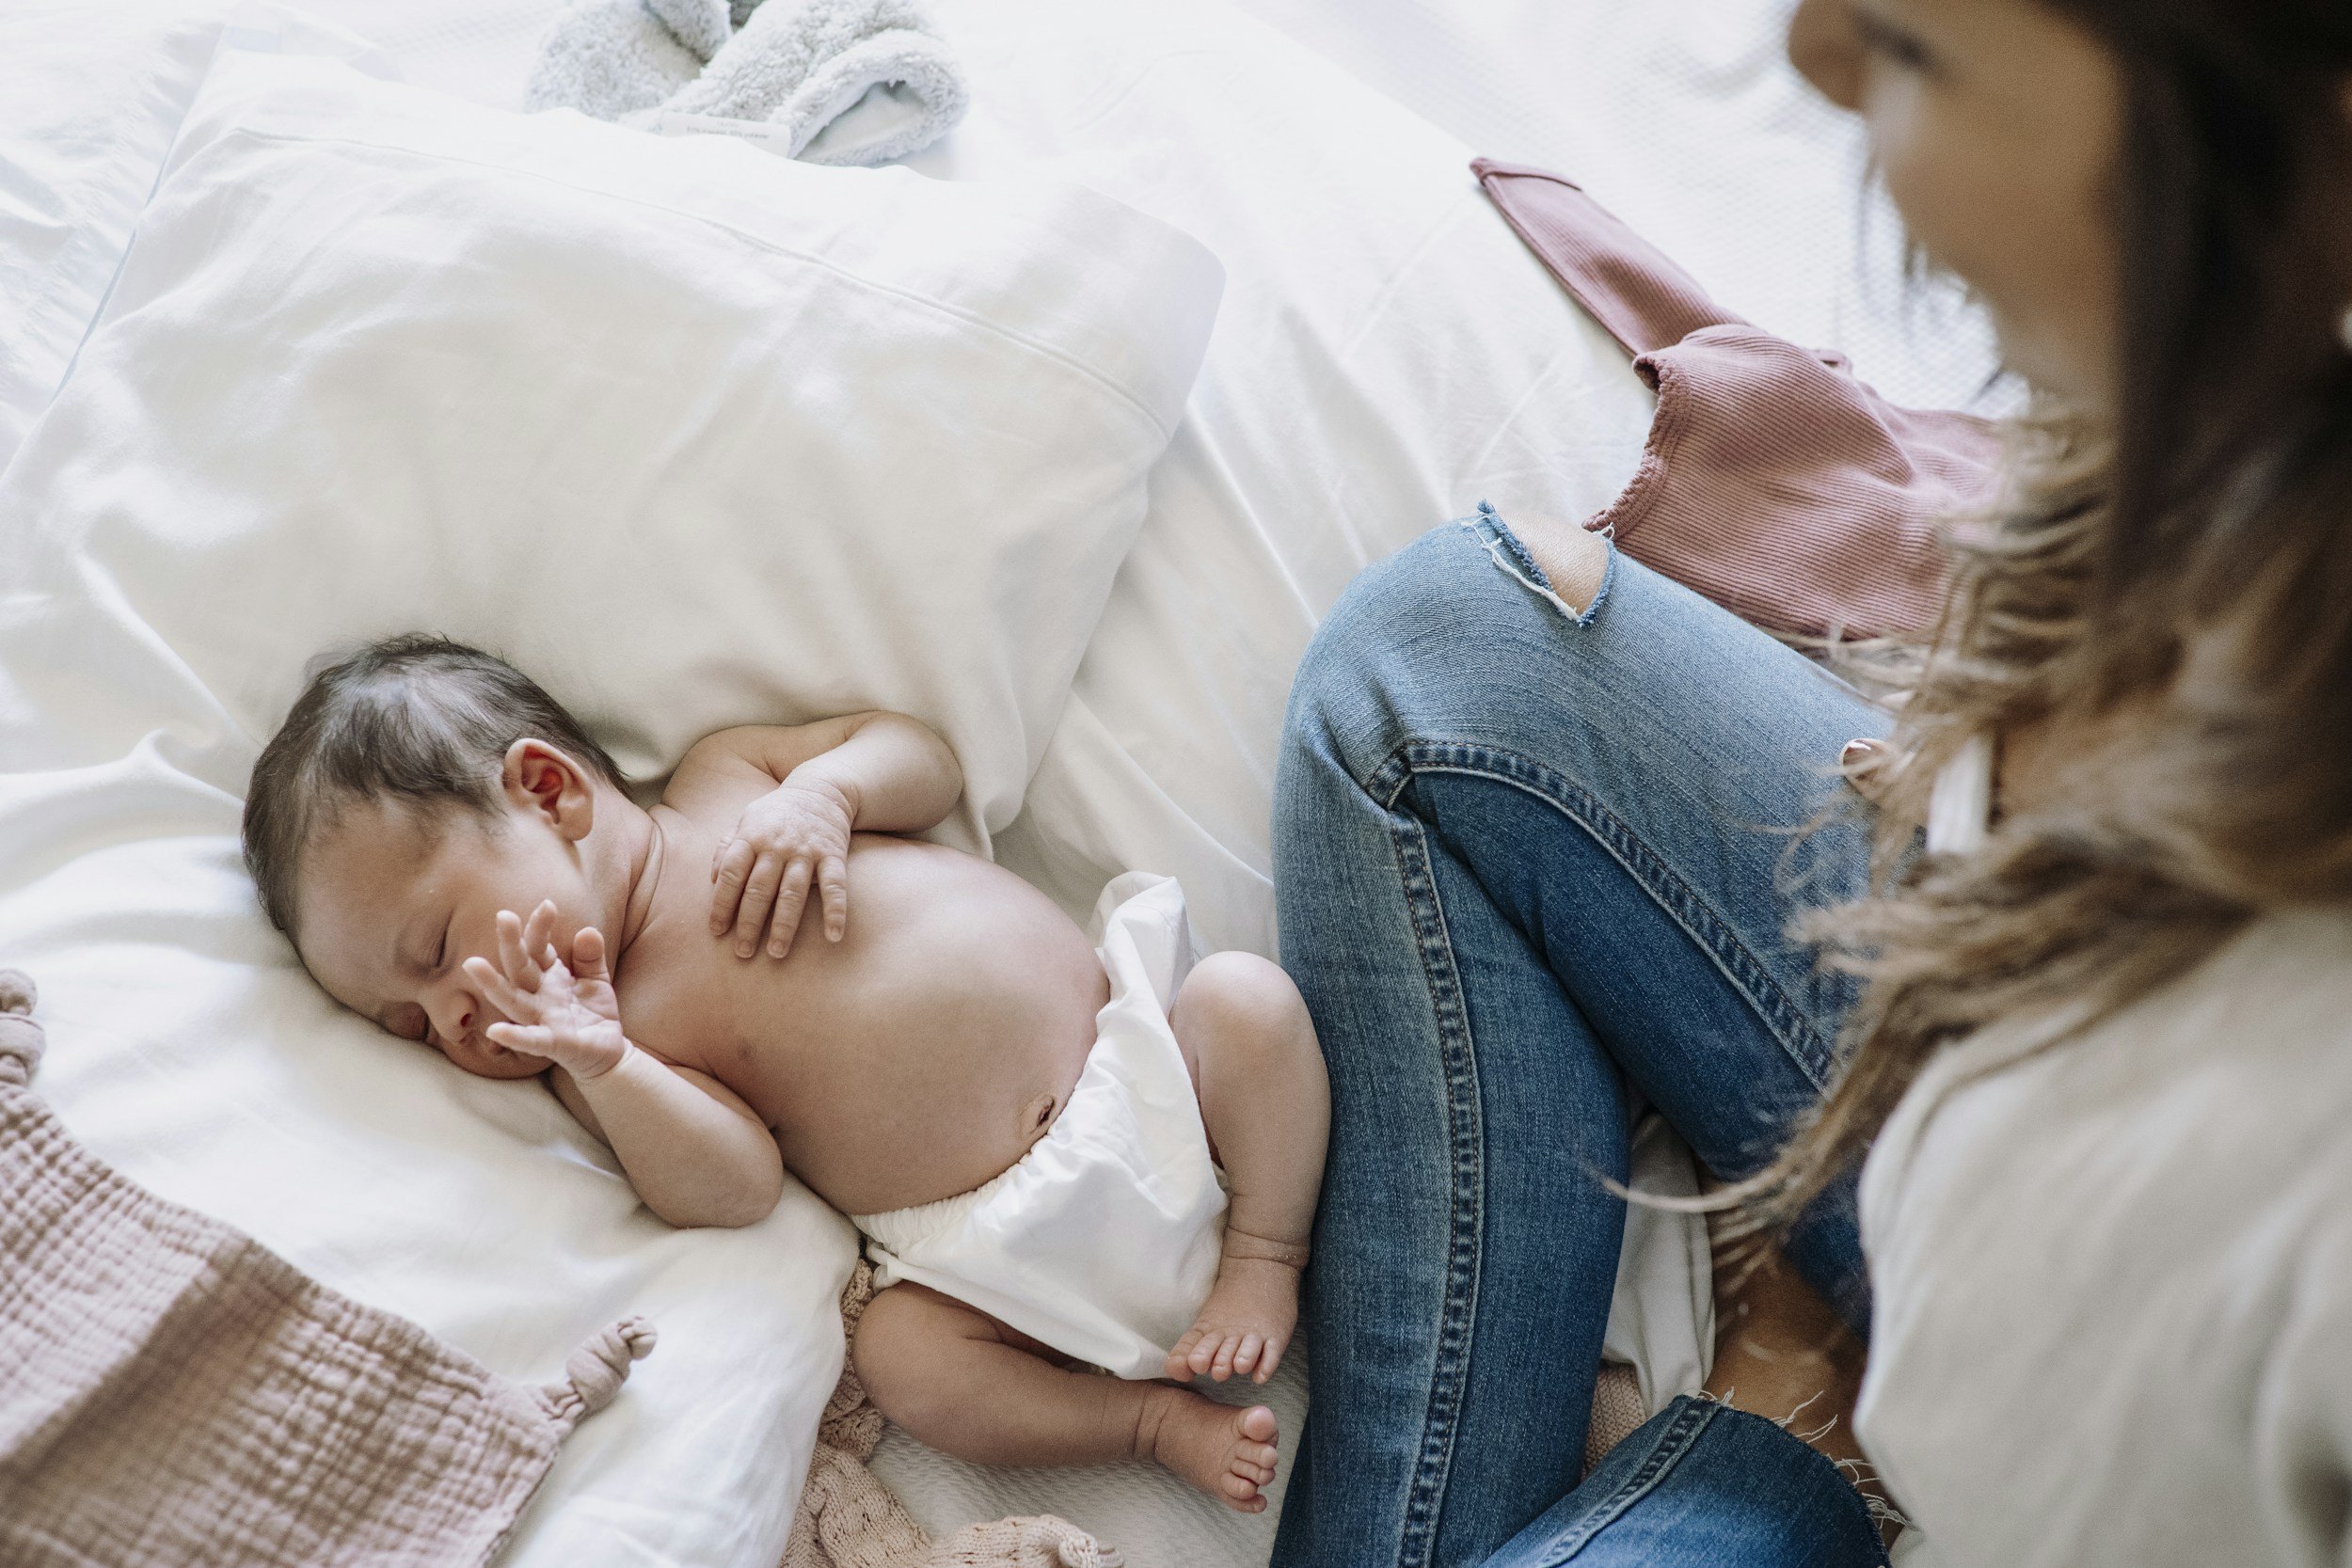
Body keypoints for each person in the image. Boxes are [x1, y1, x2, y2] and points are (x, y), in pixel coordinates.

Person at [1271, 0, 2352, 1563]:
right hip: (2020, 1073)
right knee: (1440, 668)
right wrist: (1984, 780)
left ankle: (1781, 1447)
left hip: (2080, 1363)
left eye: (1914, 42)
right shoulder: (2239, 425)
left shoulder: (2274, 1174)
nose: (1808, 58)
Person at [239, 634, 1328, 1512]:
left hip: (1150, 1073)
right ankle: (1144, 1420)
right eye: (410, 1024)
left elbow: (921, 755)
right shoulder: (607, 1058)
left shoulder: (727, 783)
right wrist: (611, 1063)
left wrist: (830, 795)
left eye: (433, 955)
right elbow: (734, 1183)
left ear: (547, 788)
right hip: (1004, 1263)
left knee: (1244, 999)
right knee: (907, 1358)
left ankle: (1266, 1249)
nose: (452, 1017)